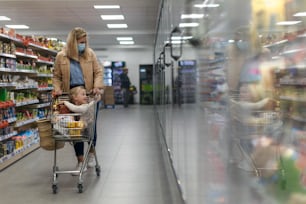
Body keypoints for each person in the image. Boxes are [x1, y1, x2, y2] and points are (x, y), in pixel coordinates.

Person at [52, 27, 104, 175]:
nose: (84, 45)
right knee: (76, 129)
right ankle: (80, 161)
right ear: (73, 42)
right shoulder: (61, 56)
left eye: (85, 42)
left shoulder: (90, 54)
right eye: (81, 42)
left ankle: (91, 153)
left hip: (88, 96)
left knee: (90, 127)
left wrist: (96, 86)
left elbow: (98, 72)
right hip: (71, 97)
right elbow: (56, 76)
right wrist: (57, 88)